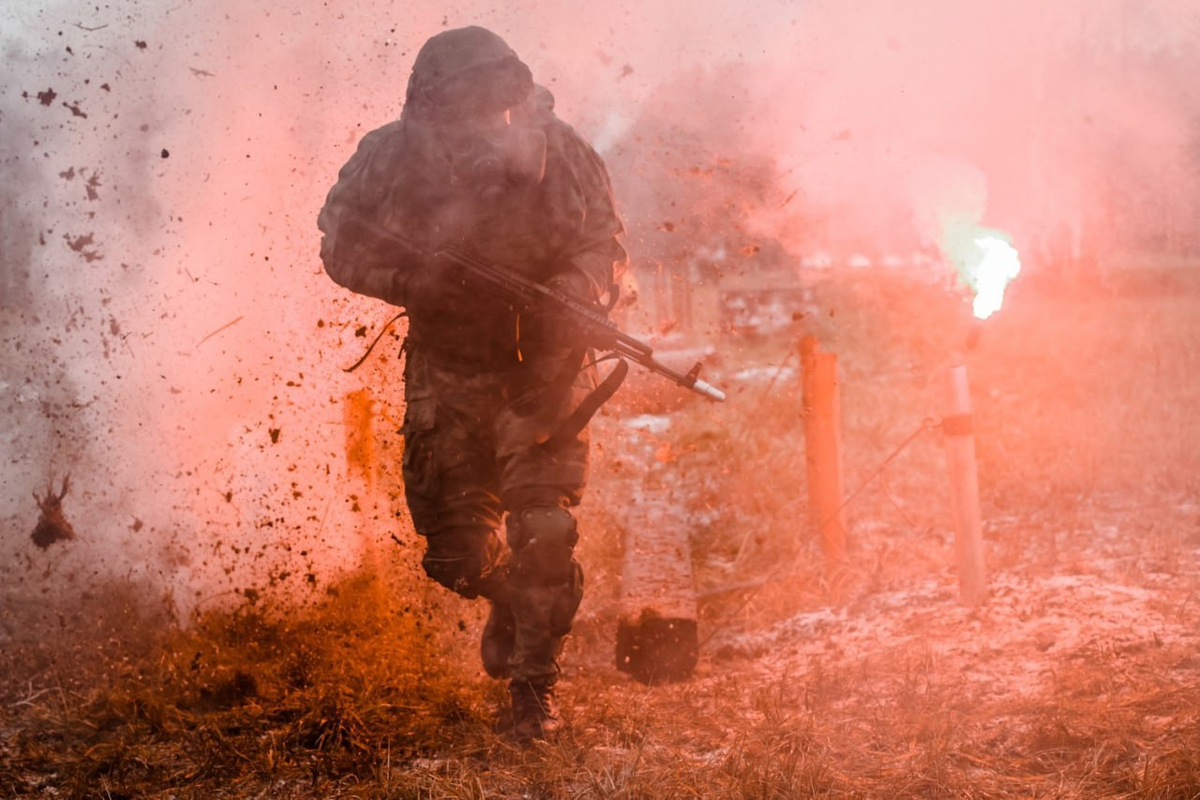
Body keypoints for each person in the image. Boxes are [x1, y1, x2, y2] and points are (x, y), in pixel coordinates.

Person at [316, 25, 626, 742]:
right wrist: (413, 280)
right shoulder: (389, 157)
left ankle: (532, 695)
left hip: (543, 369)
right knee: (453, 555)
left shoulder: (564, 152)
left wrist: (574, 294)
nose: (482, 116)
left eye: (494, 98)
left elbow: (602, 241)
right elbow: (339, 242)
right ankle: (509, 600)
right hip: (448, 367)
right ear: (431, 102)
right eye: (463, 101)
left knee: (544, 530)